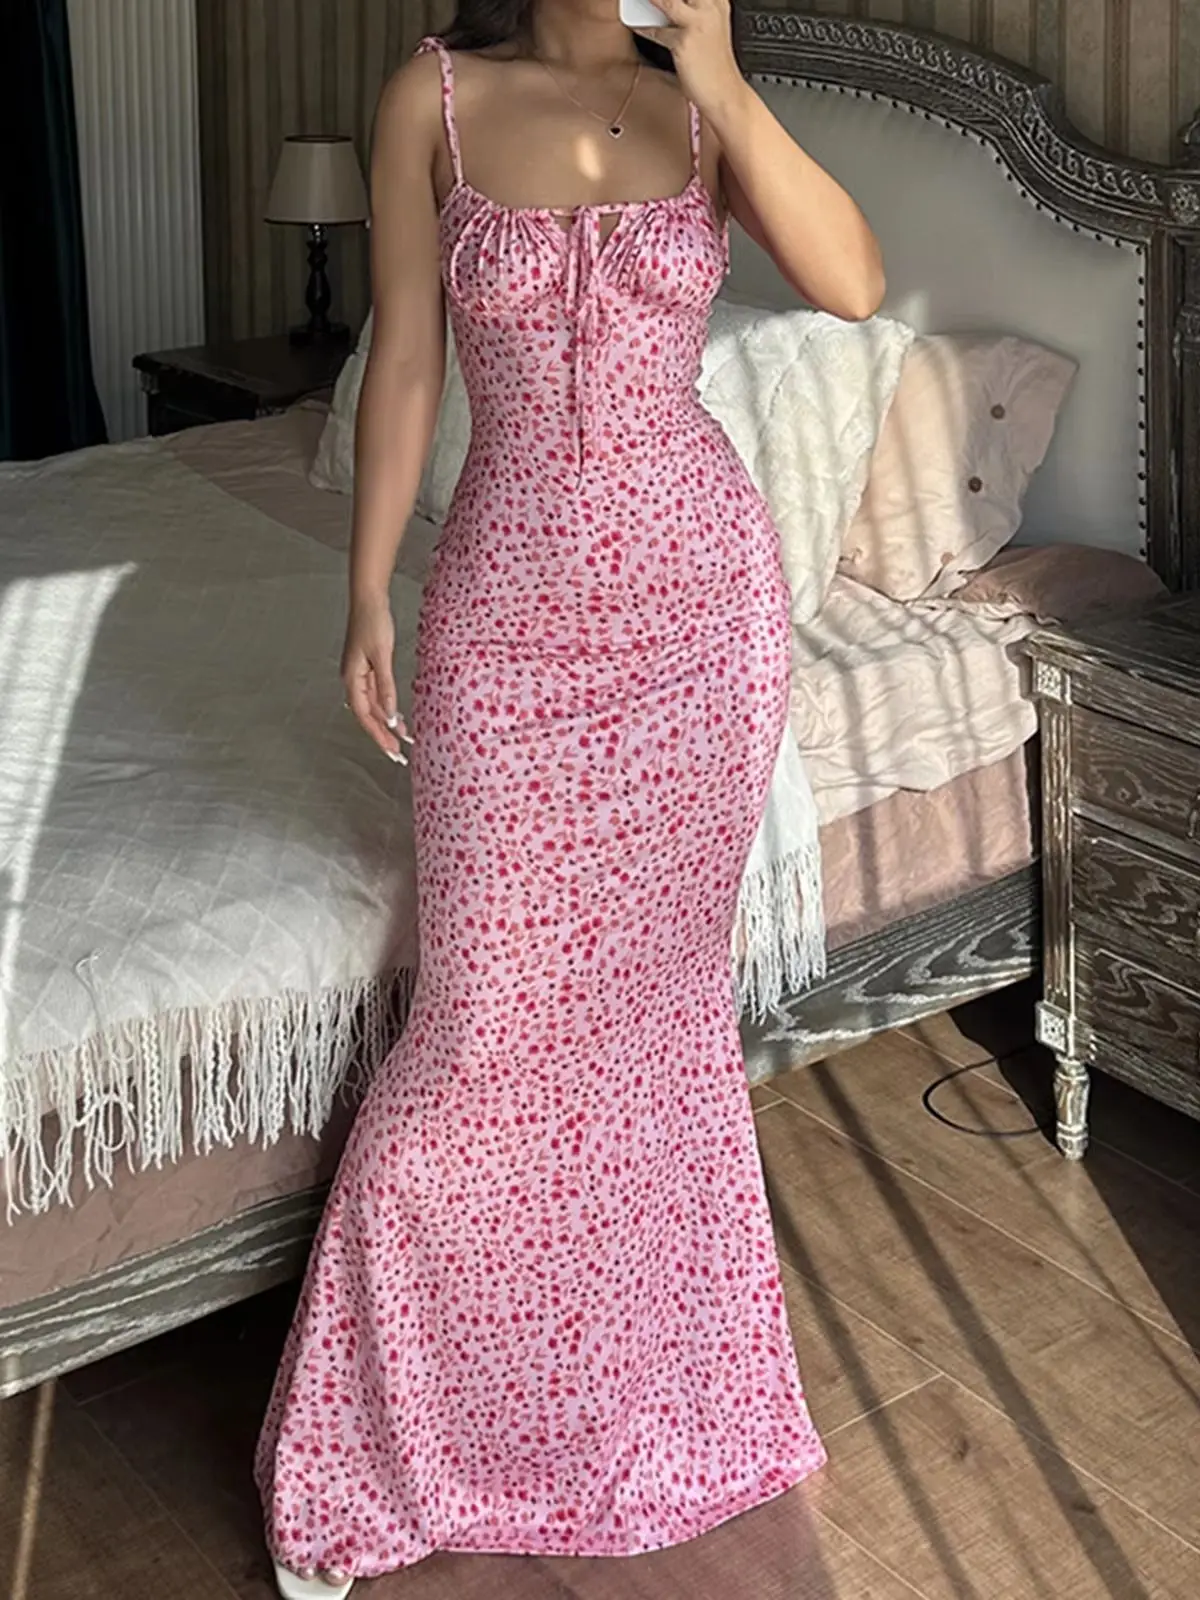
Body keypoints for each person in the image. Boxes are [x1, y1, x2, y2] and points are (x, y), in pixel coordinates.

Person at [256, 2, 883, 1594]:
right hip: (507, 625)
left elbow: (855, 284)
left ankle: (641, 1405)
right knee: (481, 1033)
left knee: (657, 1030)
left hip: (700, 623)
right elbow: (407, 359)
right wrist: (365, 593)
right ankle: (375, 1446)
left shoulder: (702, 107)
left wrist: (721, 73)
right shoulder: (434, 96)